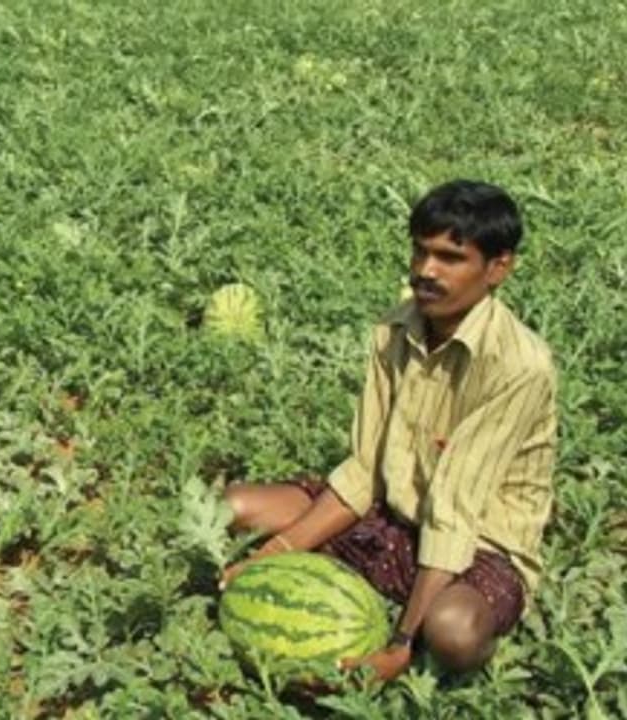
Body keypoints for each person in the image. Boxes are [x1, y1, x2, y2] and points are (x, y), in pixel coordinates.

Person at [221, 180, 557, 682]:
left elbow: (454, 510)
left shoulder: (519, 367)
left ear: (498, 267)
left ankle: (425, 624)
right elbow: (363, 469)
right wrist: (273, 555)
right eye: (420, 251)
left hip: (478, 545)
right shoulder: (394, 331)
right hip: (392, 518)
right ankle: (384, 587)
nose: (426, 270)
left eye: (450, 258)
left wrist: (401, 646)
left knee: (453, 633)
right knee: (236, 508)